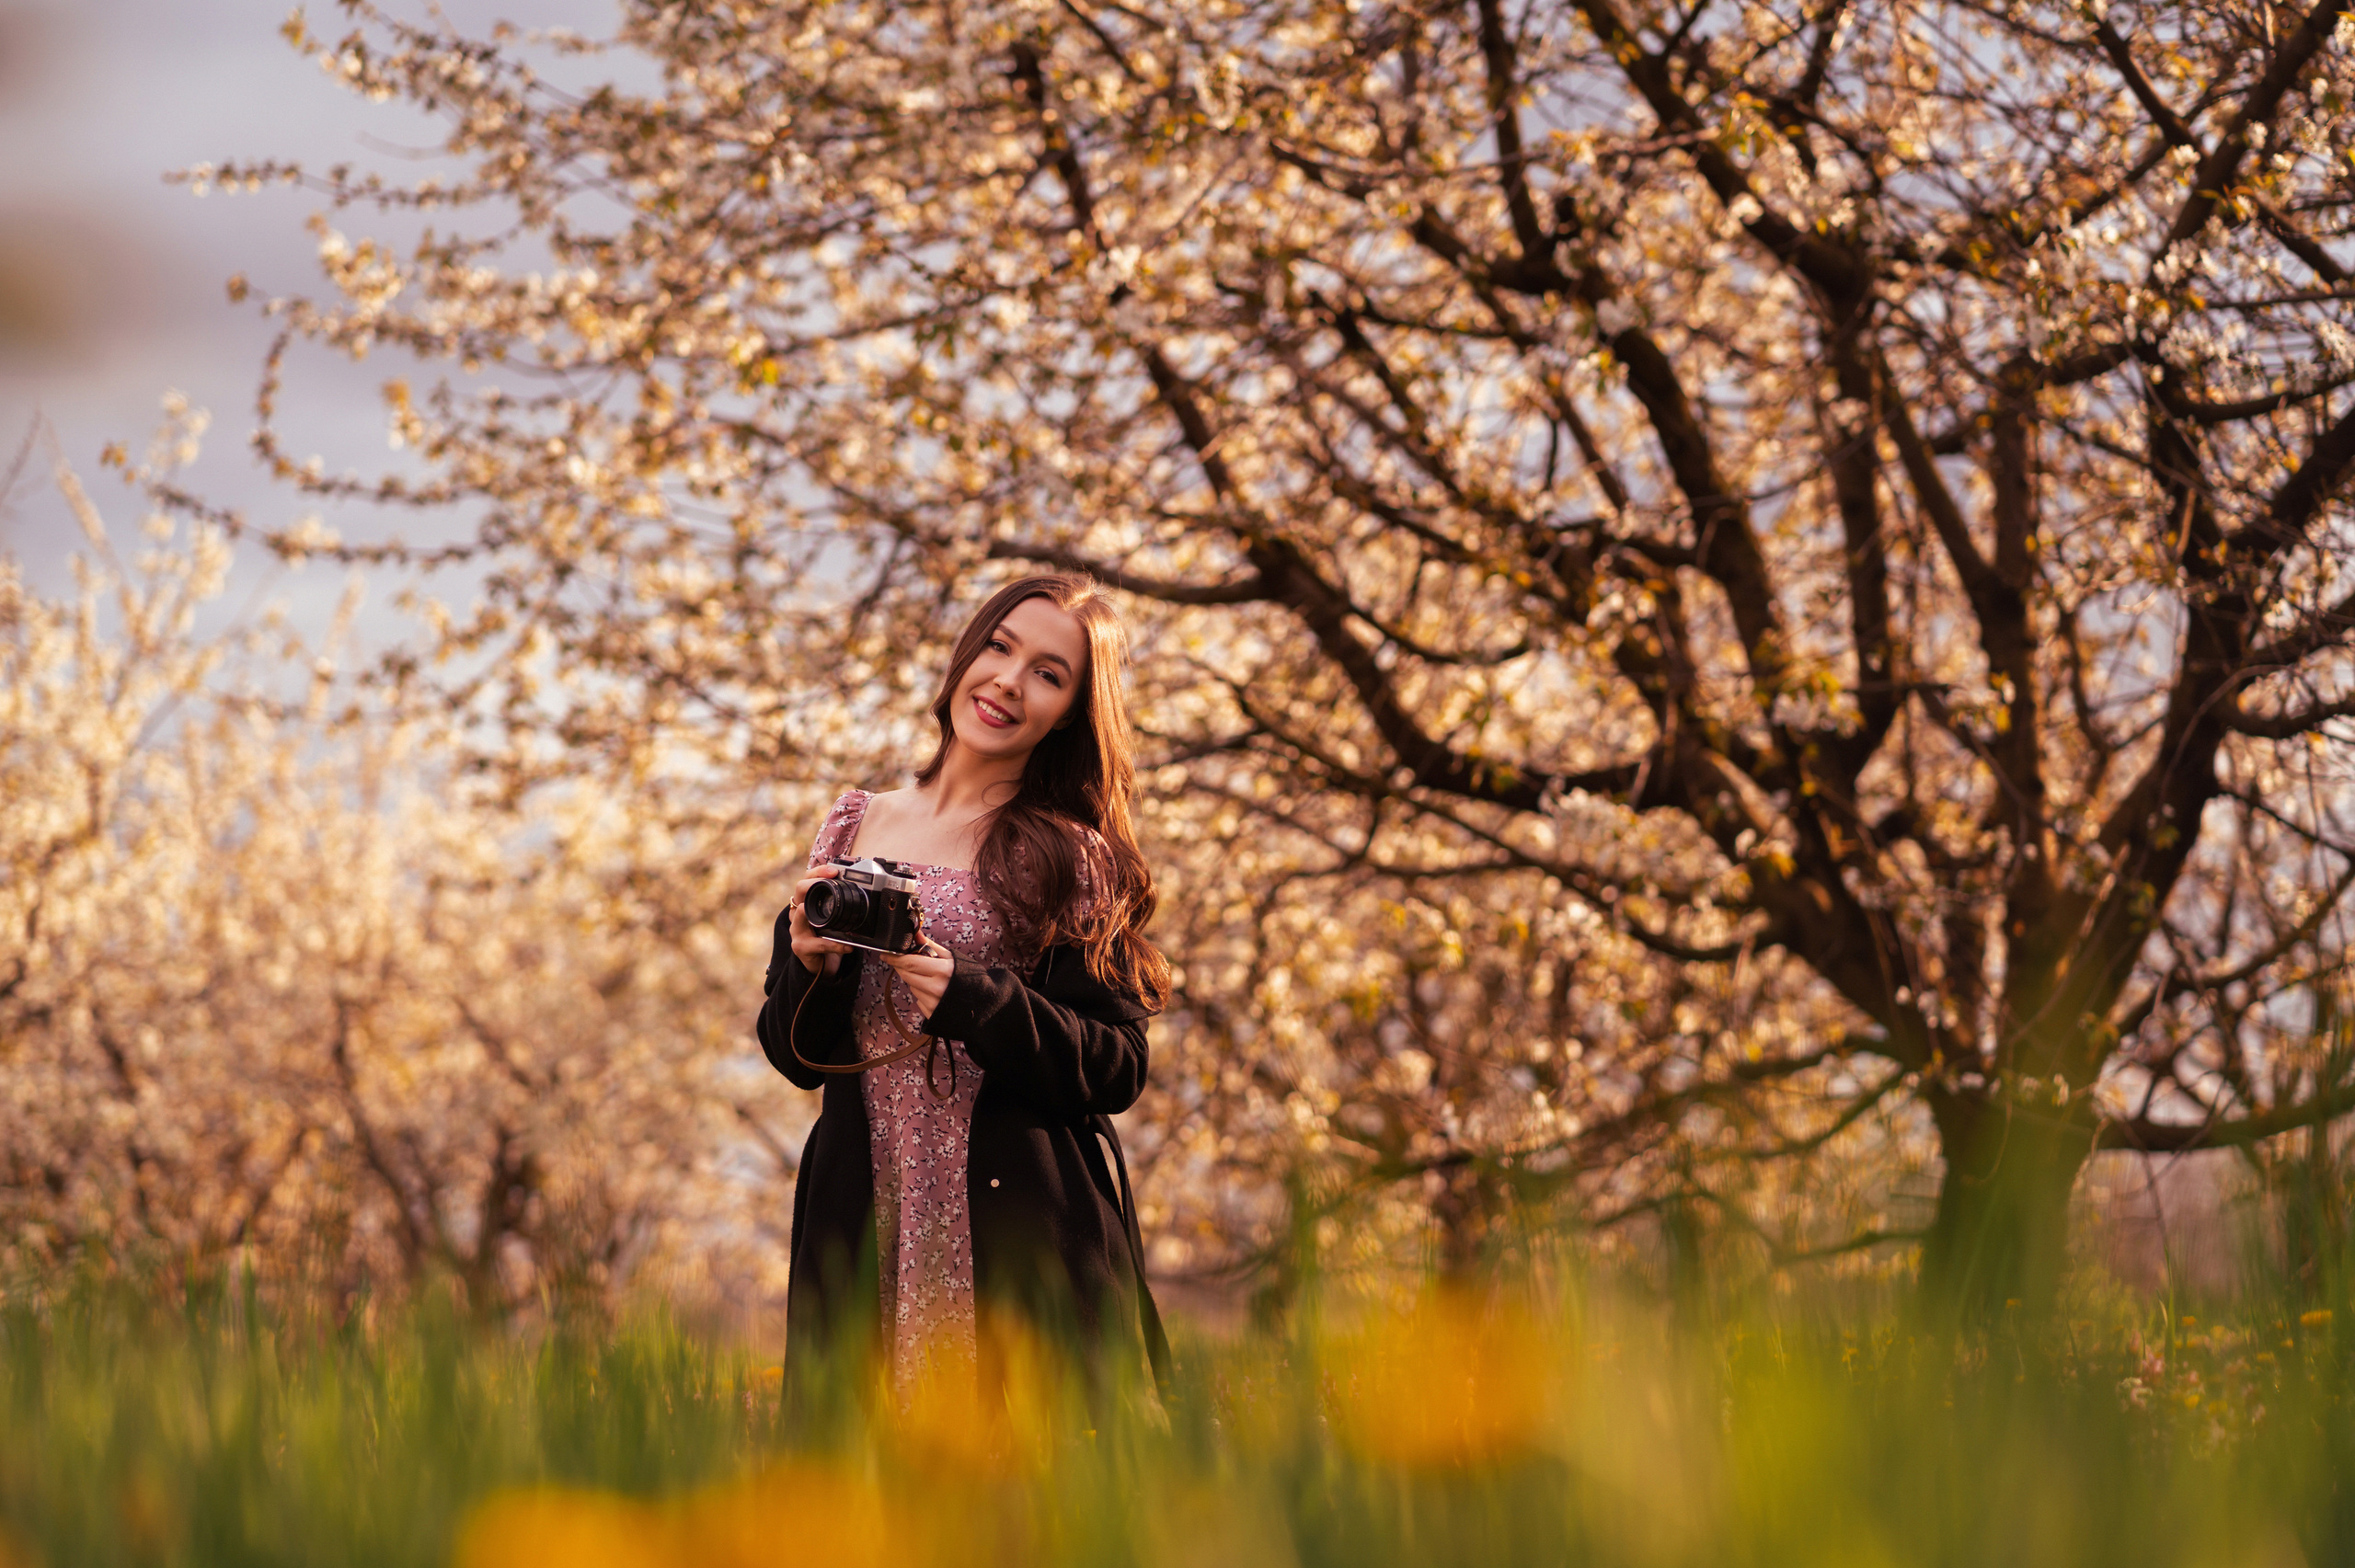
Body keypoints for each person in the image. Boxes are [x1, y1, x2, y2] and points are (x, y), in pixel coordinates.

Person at [756, 574, 1174, 1408]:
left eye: (1049, 675)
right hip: (864, 1208)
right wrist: (809, 962)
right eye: (1001, 646)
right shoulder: (852, 821)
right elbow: (794, 1057)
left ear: (1068, 714)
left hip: (1017, 1221)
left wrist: (969, 994)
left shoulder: (1068, 854)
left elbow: (1117, 1065)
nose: (1009, 683)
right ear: (967, 652)